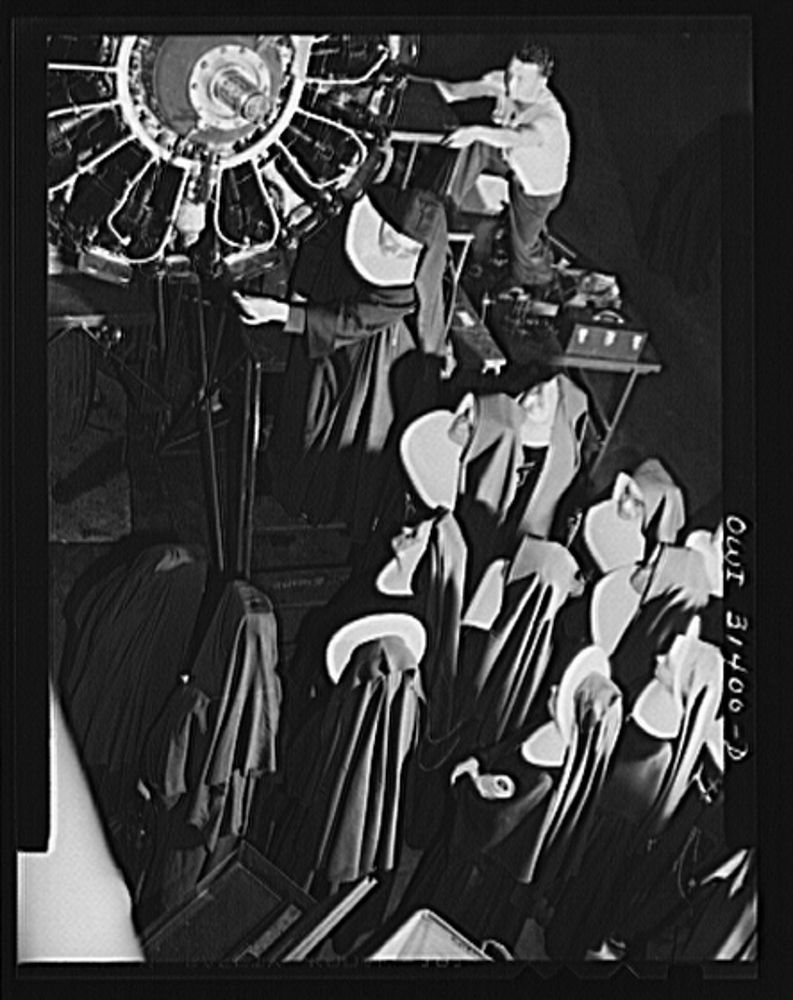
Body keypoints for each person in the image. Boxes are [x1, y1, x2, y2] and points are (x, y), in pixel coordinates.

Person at [234, 184, 450, 544]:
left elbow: (348, 322)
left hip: (369, 356)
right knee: (305, 406)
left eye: (404, 249)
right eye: (390, 241)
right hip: (329, 332)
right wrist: (301, 290)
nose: (394, 250)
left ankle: (313, 500)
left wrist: (281, 313)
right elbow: (322, 237)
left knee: (337, 429)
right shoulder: (369, 207)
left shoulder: (407, 290)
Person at [430, 41, 570, 288]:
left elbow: (518, 138)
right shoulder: (506, 82)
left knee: (524, 254)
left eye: (521, 79)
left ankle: (543, 280)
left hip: (537, 189)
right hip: (510, 158)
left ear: (542, 82)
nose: (511, 85)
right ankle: (443, 207)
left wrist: (475, 130)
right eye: (510, 74)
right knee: (478, 146)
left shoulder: (550, 119)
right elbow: (453, 91)